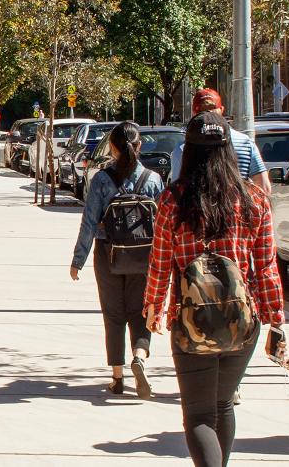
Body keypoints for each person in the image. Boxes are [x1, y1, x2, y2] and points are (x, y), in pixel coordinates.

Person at [144, 111, 285, 467]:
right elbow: (266, 264)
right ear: (228, 150)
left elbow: (161, 262)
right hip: (242, 321)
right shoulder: (252, 198)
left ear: (188, 150)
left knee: (199, 413)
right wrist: (276, 319)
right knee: (223, 405)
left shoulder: (174, 199)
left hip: (191, 321)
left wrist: (153, 307)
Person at [71, 121, 166, 397]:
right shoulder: (153, 179)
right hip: (142, 254)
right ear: (139, 146)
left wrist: (78, 260)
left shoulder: (101, 179)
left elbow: (89, 222)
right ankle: (140, 356)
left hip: (108, 253)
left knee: (113, 316)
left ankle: (117, 377)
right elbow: (161, 223)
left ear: (112, 148)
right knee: (140, 312)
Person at [169, 88, 272, 195]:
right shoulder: (245, 143)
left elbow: (178, 193)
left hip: (196, 208)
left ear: (194, 112)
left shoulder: (183, 149)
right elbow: (264, 188)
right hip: (238, 208)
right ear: (222, 109)